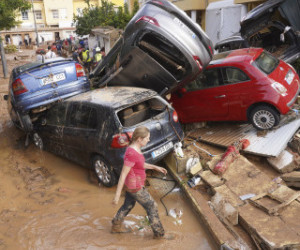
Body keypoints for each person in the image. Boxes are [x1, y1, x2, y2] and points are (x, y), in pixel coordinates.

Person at [112, 126, 169, 239]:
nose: (148, 140)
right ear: (139, 139)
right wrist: (117, 196)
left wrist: (155, 167)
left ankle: (115, 225)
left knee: (128, 205)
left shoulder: (134, 149)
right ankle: (159, 235)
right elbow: (123, 174)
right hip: (135, 187)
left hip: (132, 185)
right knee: (152, 206)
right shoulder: (132, 153)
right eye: (147, 138)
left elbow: (139, 164)